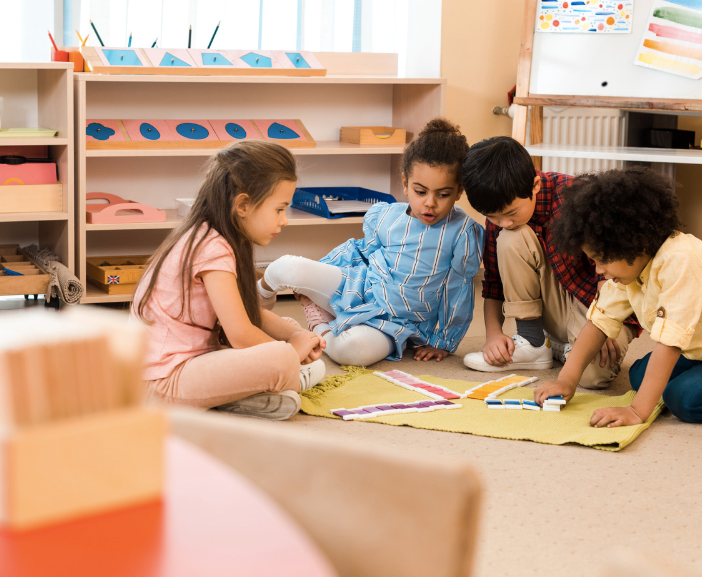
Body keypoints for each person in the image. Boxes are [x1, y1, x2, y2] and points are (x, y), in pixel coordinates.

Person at [258, 118, 484, 367]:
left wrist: (444, 342)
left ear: (459, 191)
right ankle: (252, 306)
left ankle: (317, 326)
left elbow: (458, 291)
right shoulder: (386, 216)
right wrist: (318, 273)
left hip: (398, 323)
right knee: (285, 267)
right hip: (359, 287)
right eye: (421, 192)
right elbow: (358, 251)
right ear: (405, 183)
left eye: (443, 194)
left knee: (351, 351)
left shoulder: (463, 231)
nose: (430, 202)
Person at [132, 140, 326, 421]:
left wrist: (294, 336)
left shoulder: (212, 236)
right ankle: (288, 379)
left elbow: (246, 315)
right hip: (163, 383)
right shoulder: (212, 247)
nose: (285, 220)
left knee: (289, 330)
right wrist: (292, 351)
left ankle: (239, 398)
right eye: (279, 209)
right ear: (244, 205)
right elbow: (240, 334)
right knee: (282, 358)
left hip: (187, 366)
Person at [460, 137, 638, 387]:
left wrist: (604, 322)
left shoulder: (576, 196)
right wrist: (493, 335)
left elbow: (608, 273)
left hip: (599, 302)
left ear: (535, 185)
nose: (503, 223)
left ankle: (559, 347)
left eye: (510, 213)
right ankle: (533, 343)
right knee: (509, 239)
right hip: (554, 303)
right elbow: (493, 283)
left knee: (592, 376)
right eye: (492, 217)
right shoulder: (501, 220)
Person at [534, 167, 702, 426]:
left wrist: (636, 411)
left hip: (687, 349)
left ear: (636, 243)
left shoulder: (680, 260)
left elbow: (669, 344)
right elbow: (598, 322)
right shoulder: (631, 268)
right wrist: (566, 380)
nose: (598, 270)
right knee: (638, 375)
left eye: (602, 260)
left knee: (684, 399)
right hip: (695, 350)